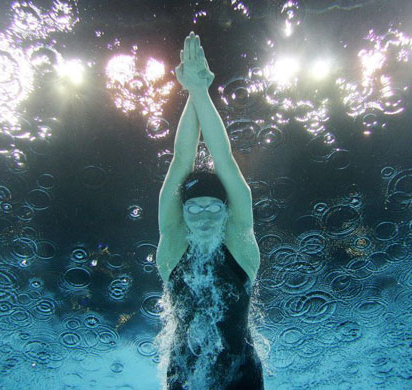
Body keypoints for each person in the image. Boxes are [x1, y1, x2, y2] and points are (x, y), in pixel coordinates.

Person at [155, 31, 264, 390]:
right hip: (182, 376)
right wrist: (194, 90)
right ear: (181, 213)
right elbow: (181, 162)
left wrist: (199, 91)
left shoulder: (241, 245)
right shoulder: (172, 245)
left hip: (241, 376)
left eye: (214, 207)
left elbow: (226, 163)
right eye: (194, 208)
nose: (203, 216)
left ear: (228, 209)